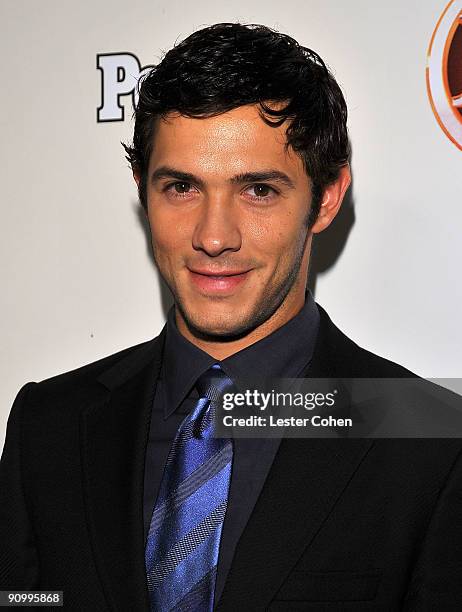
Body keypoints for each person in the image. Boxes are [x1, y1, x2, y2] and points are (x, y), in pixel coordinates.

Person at [1, 22, 462, 611]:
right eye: (182, 187)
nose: (213, 237)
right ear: (143, 192)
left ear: (326, 198)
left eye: (258, 191)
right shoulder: (50, 425)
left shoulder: (431, 444)